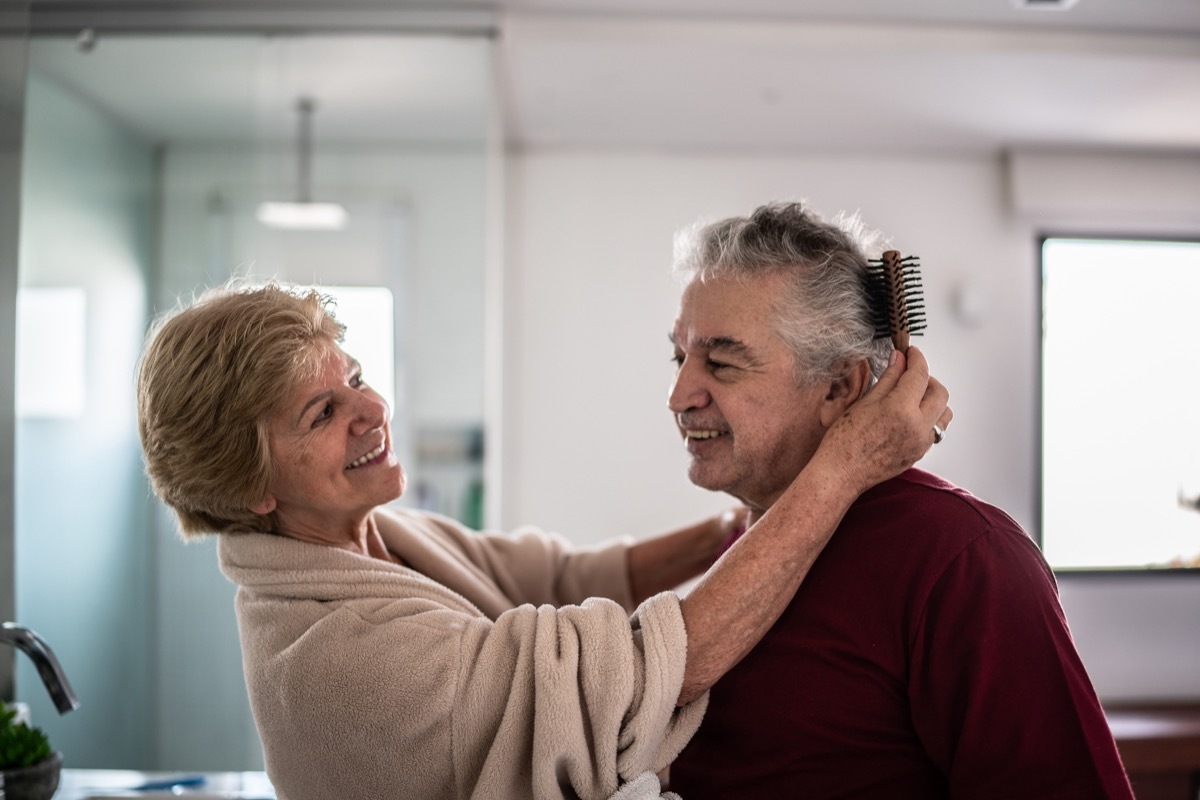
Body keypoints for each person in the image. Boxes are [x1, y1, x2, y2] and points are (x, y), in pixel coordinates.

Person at [135, 280, 949, 800]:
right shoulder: (332, 662)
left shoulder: (377, 540)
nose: (371, 411)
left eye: (352, 378)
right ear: (251, 487)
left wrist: (747, 519)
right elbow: (633, 678)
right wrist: (837, 473)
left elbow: (564, 576)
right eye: (322, 414)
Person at [664, 201, 1134, 799]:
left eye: (722, 362)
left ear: (840, 386)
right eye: (679, 357)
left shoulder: (963, 558)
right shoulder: (748, 544)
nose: (678, 396)